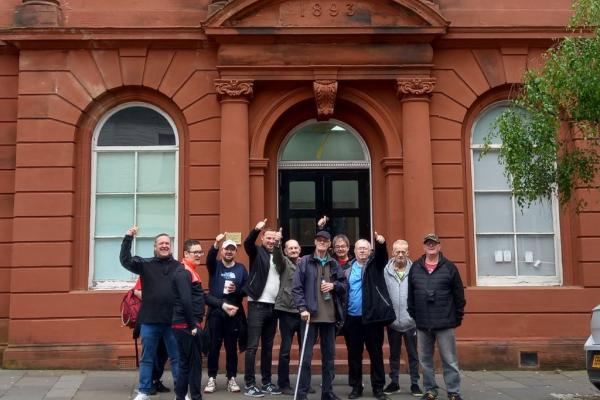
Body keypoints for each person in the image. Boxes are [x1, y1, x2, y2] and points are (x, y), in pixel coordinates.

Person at [120, 226, 181, 400]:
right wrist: (128, 238)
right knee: (147, 358)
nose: (164, 245)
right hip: (149, 321)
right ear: (155, 247)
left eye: (167, 243)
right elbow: (125, 260)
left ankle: (181, 392)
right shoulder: (145, 265)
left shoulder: (179, 267)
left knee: (176, 358)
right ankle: (144, 391)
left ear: (171, 246)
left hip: (172, 321)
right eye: (161, 243)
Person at [407, 234, 466, 400]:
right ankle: (430, 390)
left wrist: (457, 318)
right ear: (424, 246)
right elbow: (410, 295)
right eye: (428, 243)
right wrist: (414, 316)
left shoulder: (450, 268)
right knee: (425, 360)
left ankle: (453, 391)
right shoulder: (416, 267)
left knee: (450, 360)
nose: (431, 246)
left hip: (445, 322)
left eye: (434, 243)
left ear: (439, 246)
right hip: (423, 323)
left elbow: (459, 296)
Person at [291, 230, 347, 400]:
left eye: (325, 240)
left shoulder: (334, 263)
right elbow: (296, 288)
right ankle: (302, 394)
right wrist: (302, 308)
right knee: (306, 358)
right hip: (310, 317)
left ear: (330, 244)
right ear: (315, 242)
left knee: (329, 358)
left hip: (329, 318)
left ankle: (327, 393)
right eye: (319, 240)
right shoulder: (305, 262)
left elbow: (344, 285)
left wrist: (333, 286)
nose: (322, 243)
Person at [343, 233, 396, 400]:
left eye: (365, 248)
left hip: (373, 318)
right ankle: (356, 387)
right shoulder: (348, 268)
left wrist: (381, 243)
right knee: (354, 355)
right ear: (355, 251)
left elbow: (382, 256)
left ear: (370, 250)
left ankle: (378, 388)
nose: (362, 251)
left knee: (376, 354)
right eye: (359, 248)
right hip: (353, 319)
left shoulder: (375, 265)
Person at [243, 219, 284, 397]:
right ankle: (250, 384)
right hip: (257, 305)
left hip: (273, 307)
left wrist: (280, 244)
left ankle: (267, 382)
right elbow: (247, 243)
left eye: (274, 239)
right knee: (252, 347)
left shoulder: (278, 254)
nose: (271, 241)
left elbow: (284, 268)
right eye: (268, 238)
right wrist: (256, 229)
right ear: (263, 238)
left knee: (268, 347)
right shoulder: (256, 251)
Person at [204, 233, 248, 394]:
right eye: (226, 249)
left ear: (235, 252)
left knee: (231, 348)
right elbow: (209, 258)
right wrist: (216, 243)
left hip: (234, 313)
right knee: (213, 347)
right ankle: (211, 378)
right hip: (216, 312)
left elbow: (246, 289)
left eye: (232, 250)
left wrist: (237, 290)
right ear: (222, 251)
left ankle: (231, 378)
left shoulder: (241, 268)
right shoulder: (215, 266)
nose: (229, 252)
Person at [273, 238, 315, 395]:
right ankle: (283, 384)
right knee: (285, 350)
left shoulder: (306, 263)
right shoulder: (283, 263)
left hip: (304, 312)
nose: (293, 250)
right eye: (290, 248)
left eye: (296, 247)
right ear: (285, 250)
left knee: (306, 351)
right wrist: (277, 243)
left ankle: (304, 384)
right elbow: (277, 256)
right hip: (287, 312)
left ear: (300, 249)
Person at [382, 240, 422, 397]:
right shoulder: (385, 270)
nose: (400, 254)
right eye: (397, 251)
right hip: (392, 322)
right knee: (394, 354)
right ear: (392, 253)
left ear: (408, 253)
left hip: (411, 321)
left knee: (413, 354)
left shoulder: (416, 270)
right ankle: (394, 382)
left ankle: (414, 383)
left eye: (403, 252)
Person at [172, 239, 206, 400]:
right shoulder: (184, 272)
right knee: (194, 365)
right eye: (195, 252)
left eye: (200, 252)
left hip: (185, 324)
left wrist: (222, 304)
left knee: (186, 364)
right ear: (186, 254)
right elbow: (185, 300)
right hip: (186, 325)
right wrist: (193, 325)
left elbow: (199, 297)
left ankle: (181, 397)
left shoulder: (189, 270)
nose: (199, 255)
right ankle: (195, 397)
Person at [132, 278, 170, 395]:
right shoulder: (148, 271)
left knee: (163, 353)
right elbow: (137, 291)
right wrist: (156, 298)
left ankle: (156, 379)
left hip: (166, 319)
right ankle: (148, 384)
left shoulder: (171, 271)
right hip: (150, 319)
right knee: (150, 354)